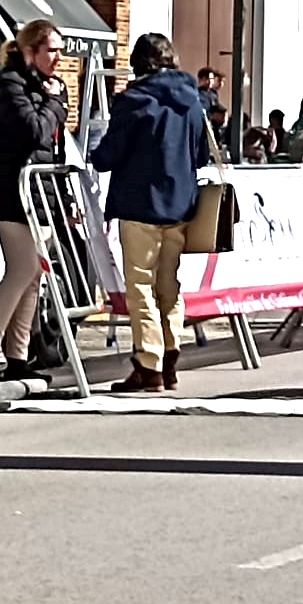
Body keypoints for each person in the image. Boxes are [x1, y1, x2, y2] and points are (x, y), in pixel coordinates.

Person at [93, 33, 212, 392]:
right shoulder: (192, 100)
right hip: (180, 204)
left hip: (140, 203)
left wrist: (96, 153)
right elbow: (202, 155)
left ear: (139, 64)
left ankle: (149, 364)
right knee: (169, 284)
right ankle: (171, 356)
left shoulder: (133, 101)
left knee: (140, 286)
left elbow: (108, 155)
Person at [0, 18, 67, 384]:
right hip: (9, 191)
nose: (59, 58)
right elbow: (33, 131)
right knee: (22, 268)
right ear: (29, 50)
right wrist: (53, 103)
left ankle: (18, 354)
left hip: (39, 193)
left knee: (35, 275)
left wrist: (64, 200)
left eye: (61, 50)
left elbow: (52, 145)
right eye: (51, 50)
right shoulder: (8, 85)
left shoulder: (50, 87)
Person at [196, 67, 228, 139]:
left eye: (212, 79)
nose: (210, 82)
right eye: (208, 79)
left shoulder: (213, 93)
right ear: (202, 79)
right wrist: (211, 116)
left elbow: (216, 105)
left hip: (215, 127)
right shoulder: (197, 94)